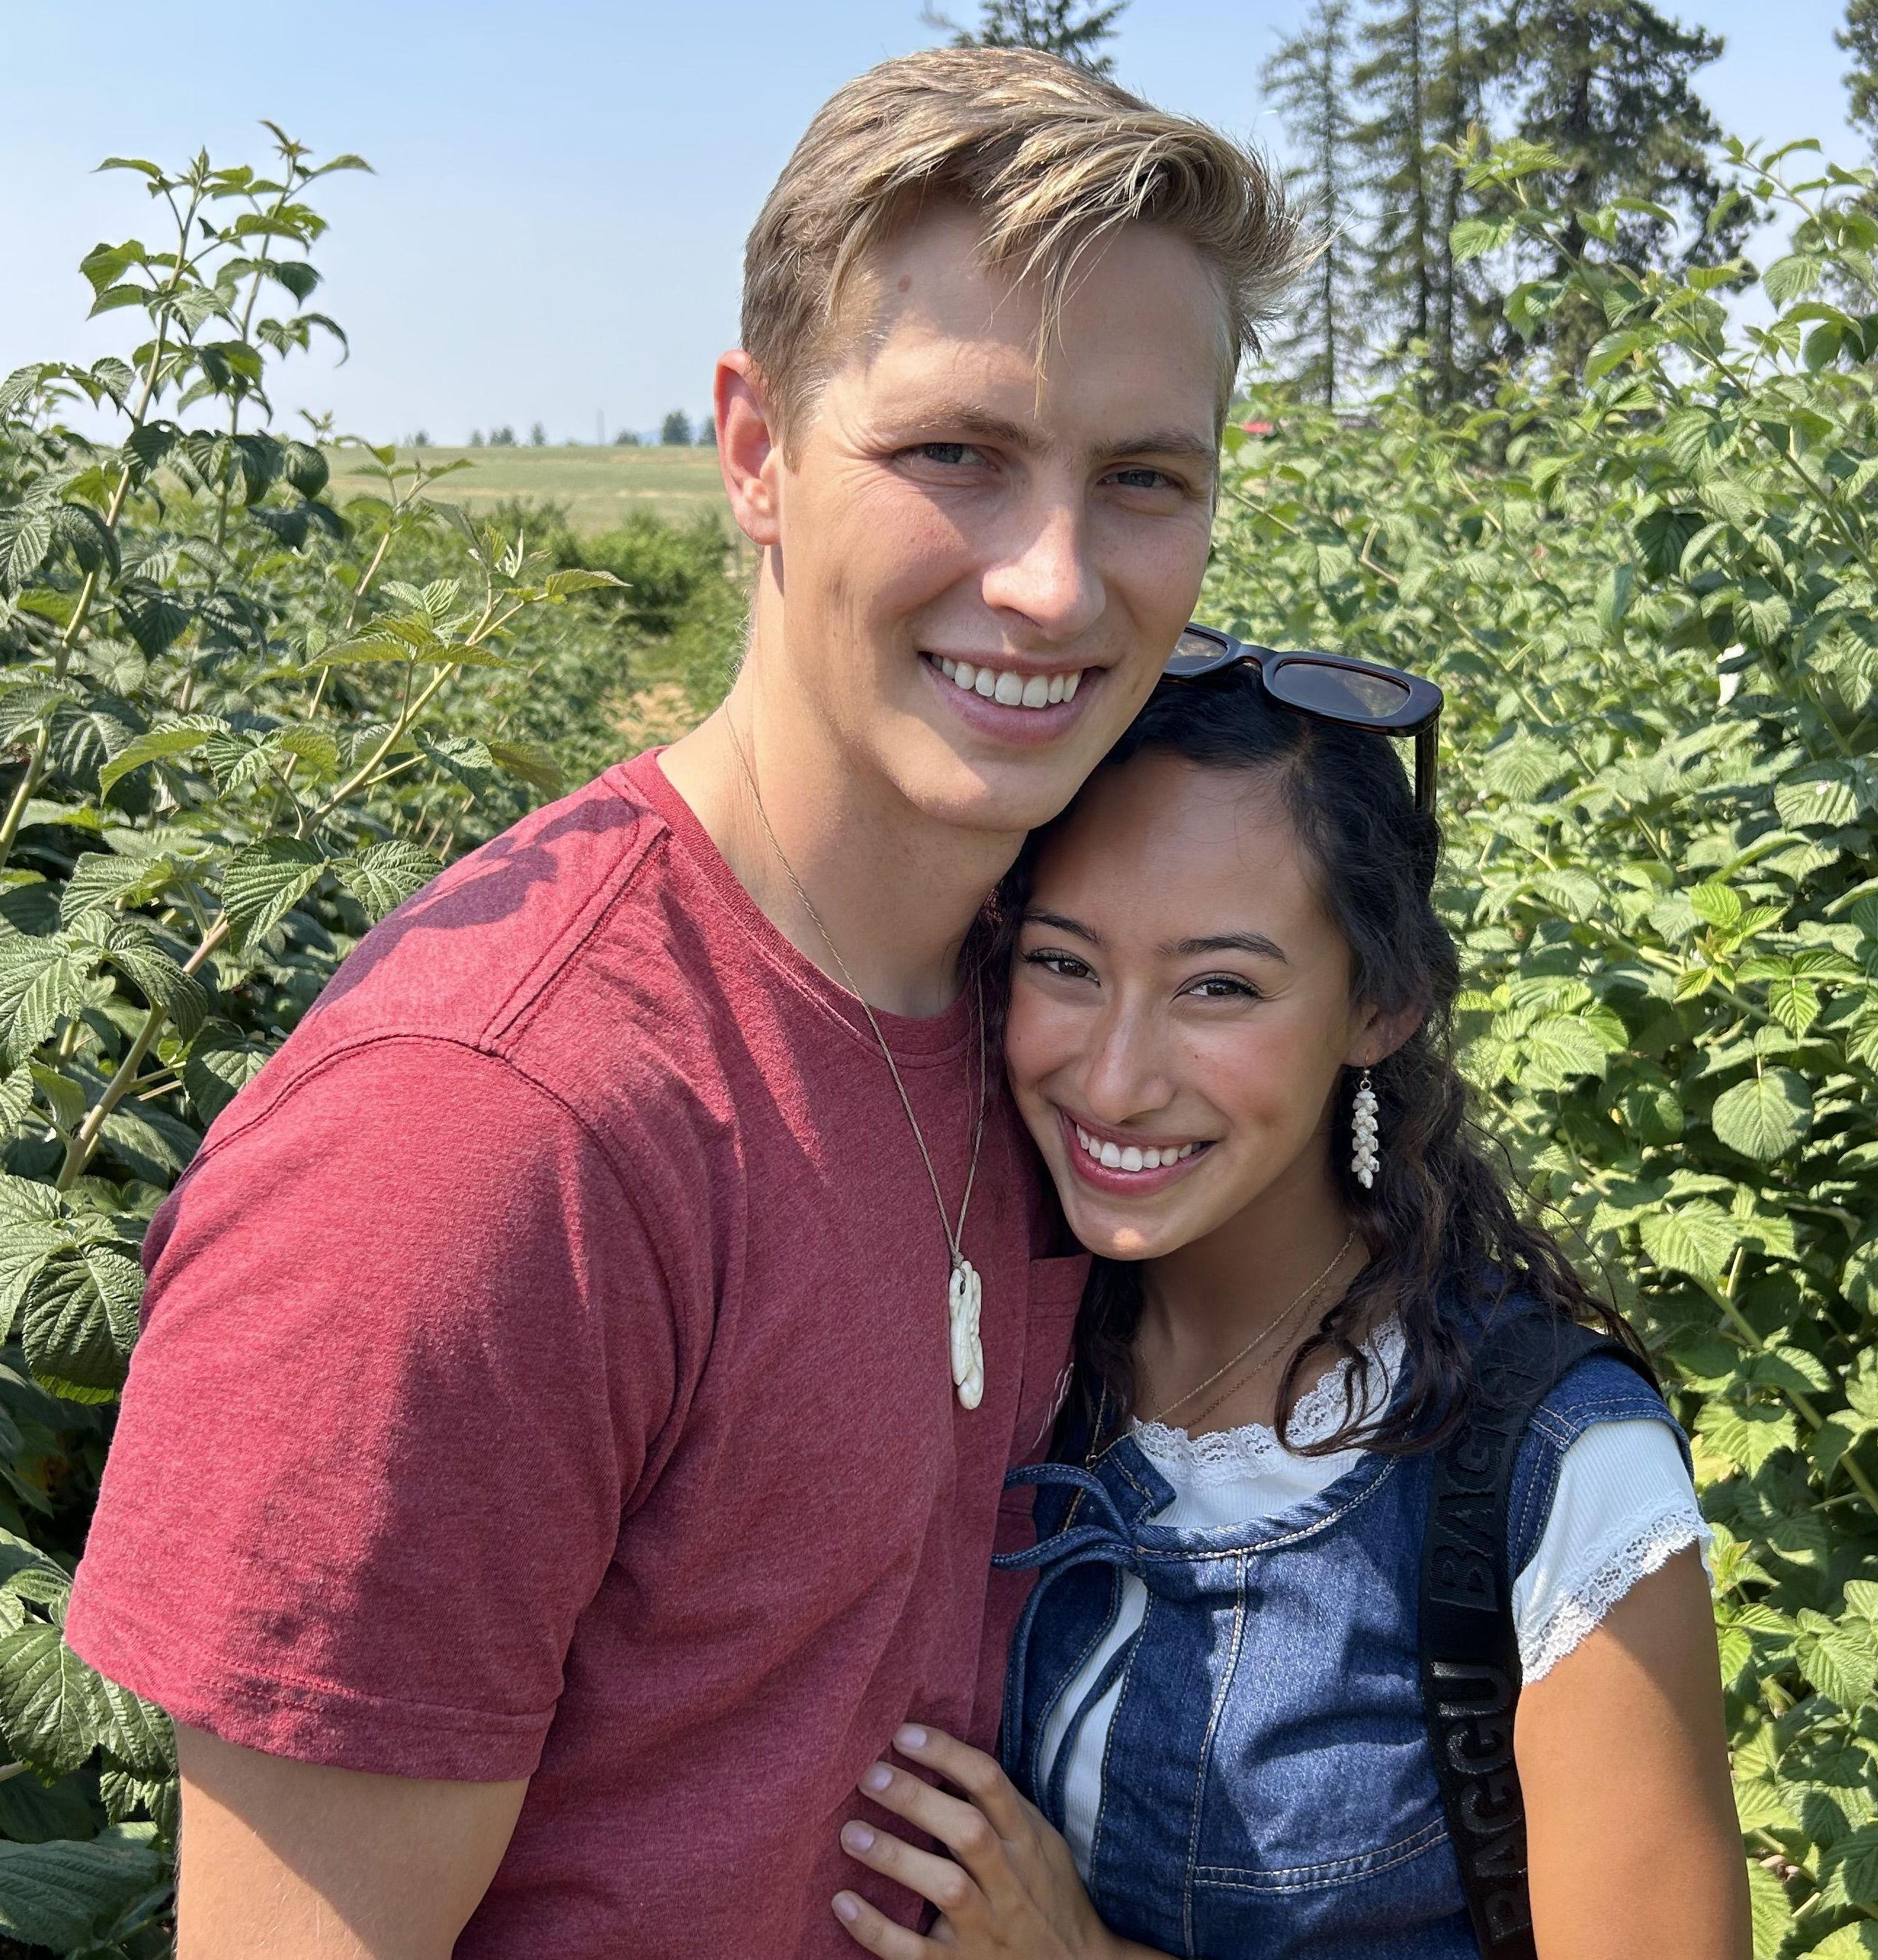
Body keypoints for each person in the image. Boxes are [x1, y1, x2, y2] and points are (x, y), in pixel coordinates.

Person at [62, 53, 1303, 1960]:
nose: (1053, 581)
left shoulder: (1049, 1015)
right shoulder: (478, 1143)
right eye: (955, 452)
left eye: (1142, 478)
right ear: (752, 454)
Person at [829, 651, 1752, 1959]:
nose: (1117, 1076)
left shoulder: (1554, 1471)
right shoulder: (995, 1349)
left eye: (1221, 987)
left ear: (1382, 1006)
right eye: (1065, 963)